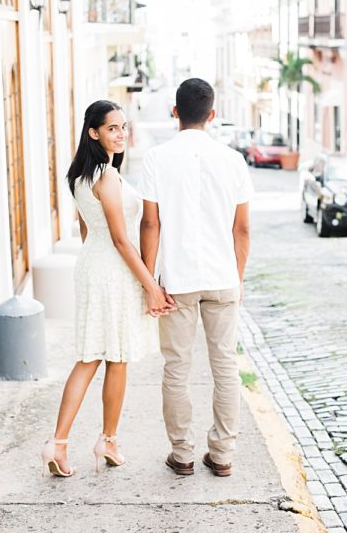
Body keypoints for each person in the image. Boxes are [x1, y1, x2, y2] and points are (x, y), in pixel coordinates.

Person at [42, 100, 168, 478]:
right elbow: (119, 238)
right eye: (112, 128)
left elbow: (88, 229)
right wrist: (151, 285)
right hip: (112, 269)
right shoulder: (107, 176)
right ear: (93, 132)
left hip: (92, 265)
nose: (121, 134)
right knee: (114, 357)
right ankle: (103, 440)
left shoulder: (80, 174)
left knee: (92, 357)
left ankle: (64, 443)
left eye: (124, 127)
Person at [138, 78, 253, 477]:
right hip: (223, 278)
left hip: (178, 280)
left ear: (175, 113)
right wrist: (236, 279)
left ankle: (183, 454)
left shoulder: (155, 159)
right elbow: (242, 230)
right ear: (212, 114)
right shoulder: (233, 160)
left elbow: (149, 224)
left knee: (177, 367)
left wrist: (150, 281)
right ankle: (221, 454)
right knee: (225, 367)